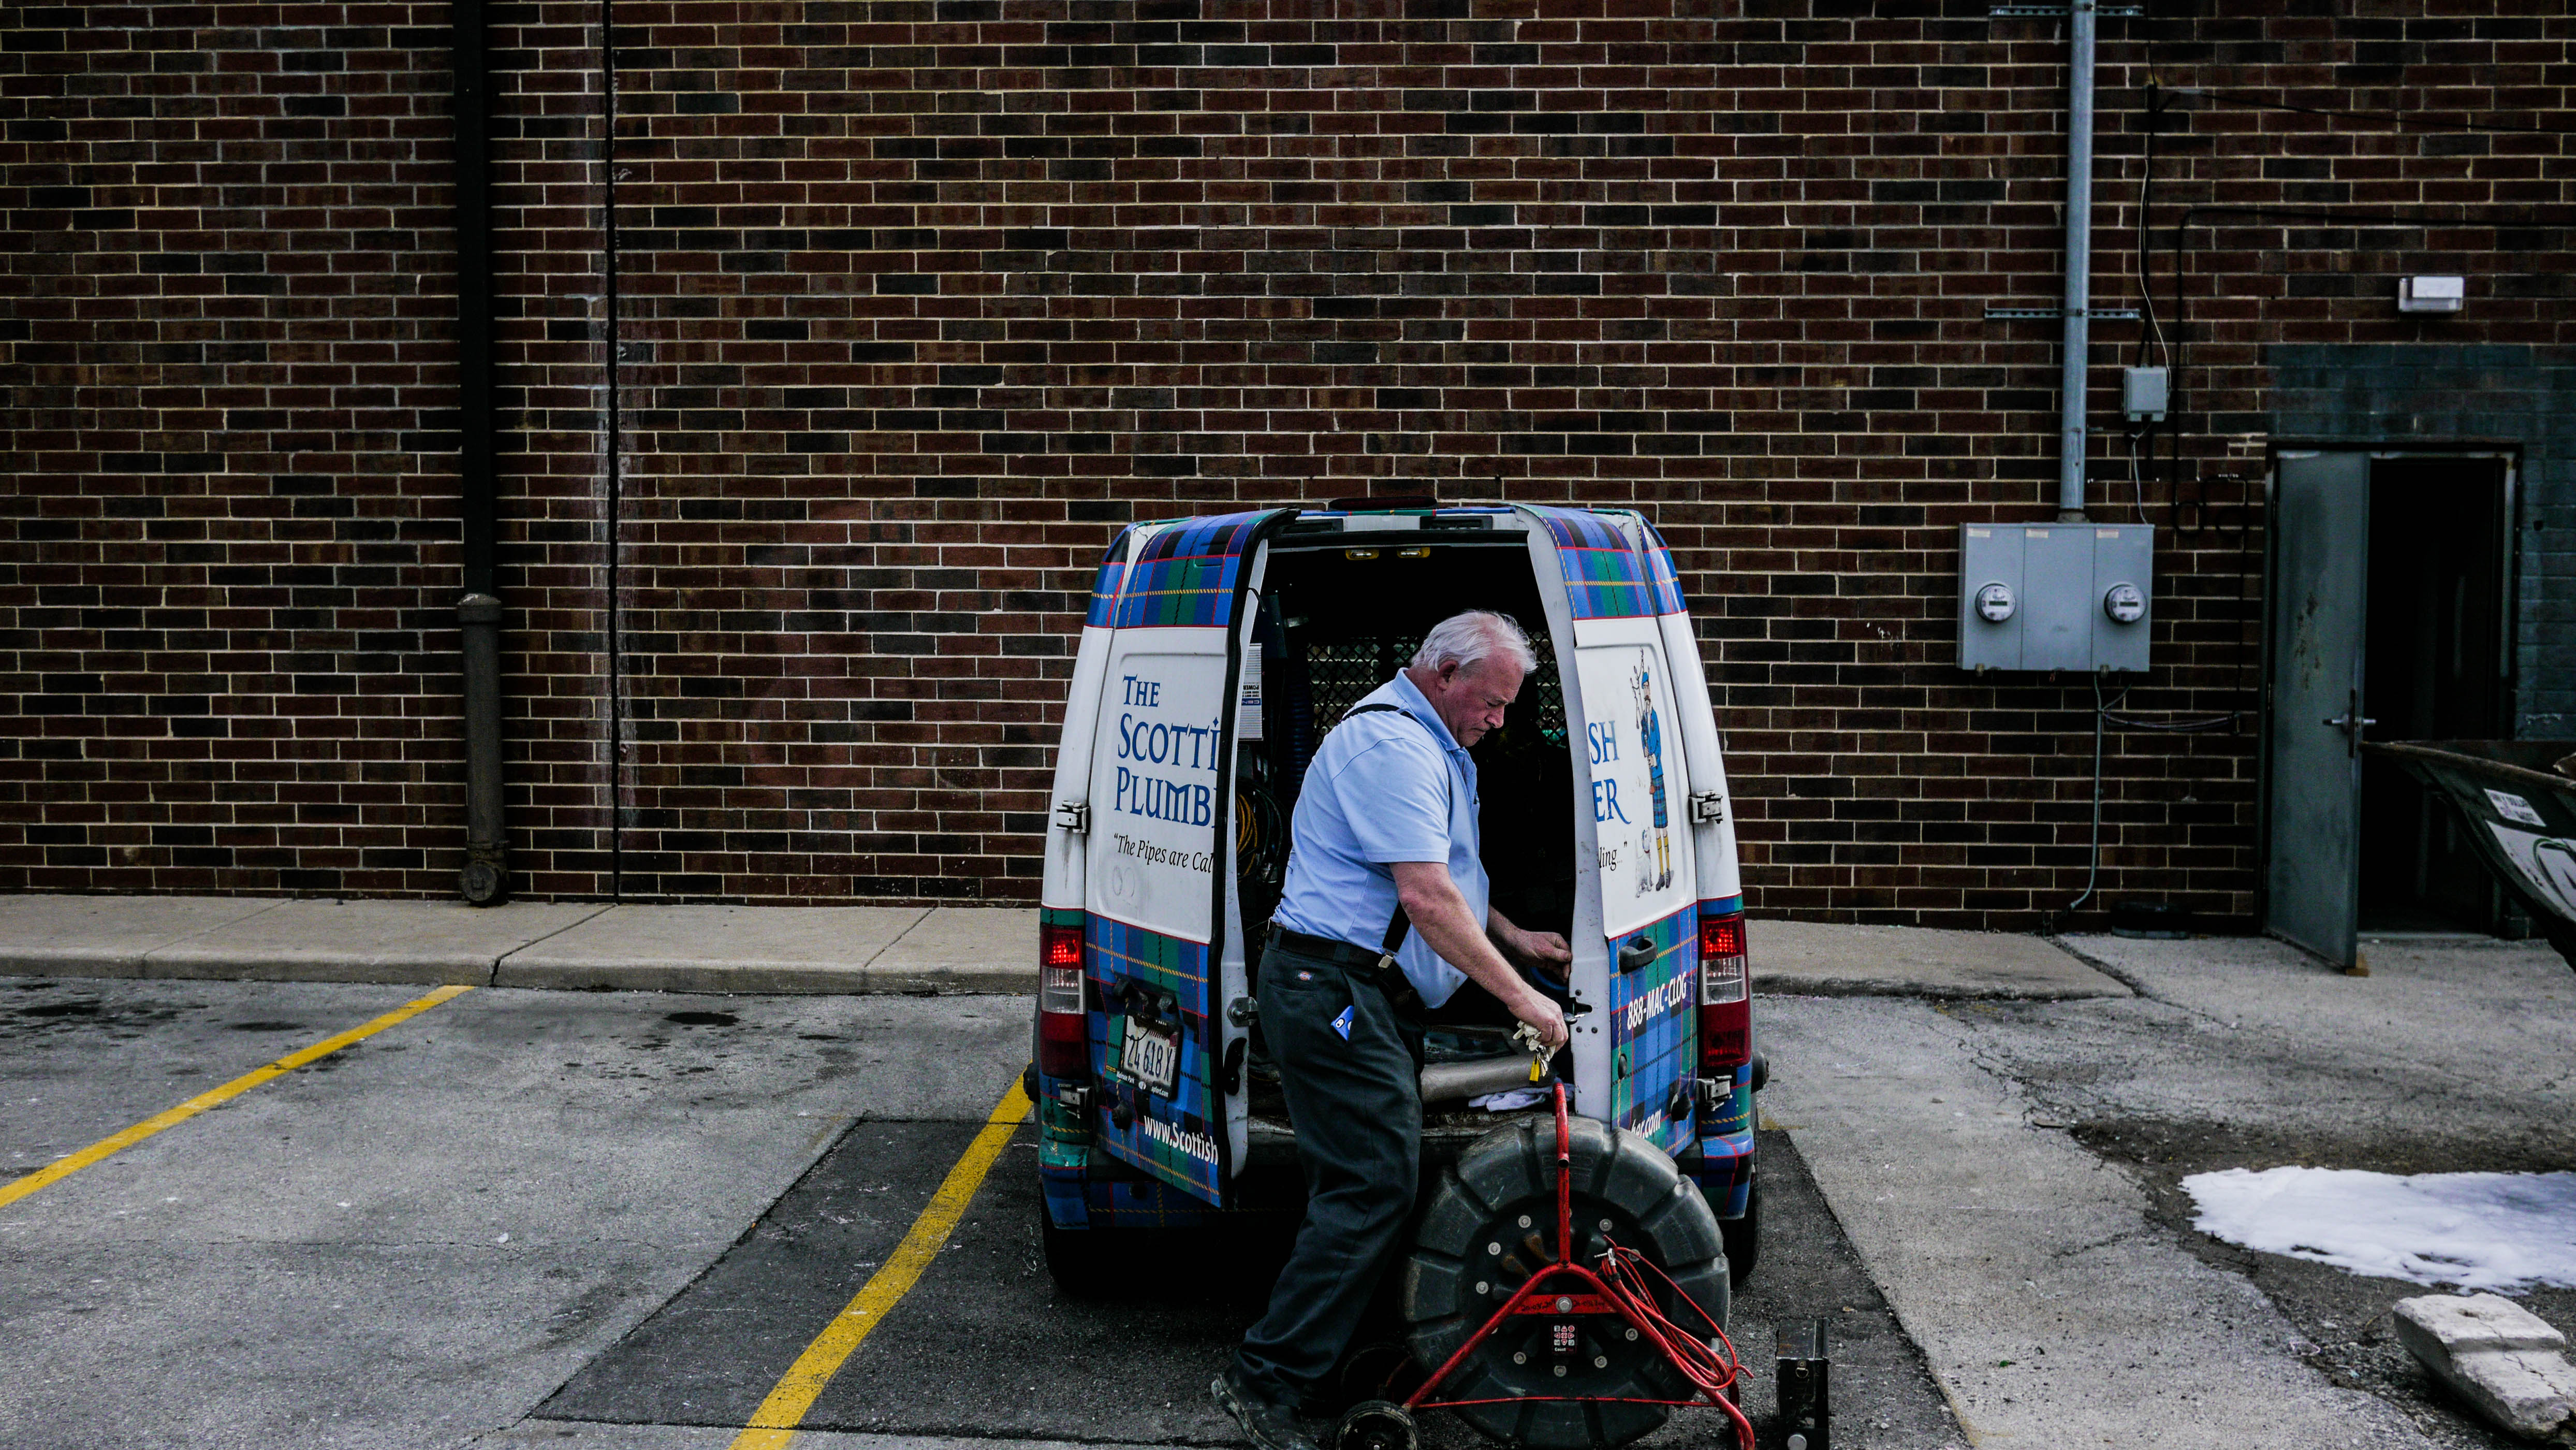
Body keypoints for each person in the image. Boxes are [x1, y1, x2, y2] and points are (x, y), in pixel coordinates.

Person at [1212, 610, 1574, 1450]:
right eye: (1490, 702)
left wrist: (1513, 936)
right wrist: (1523, 998)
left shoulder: (1434, 744)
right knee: (1372, 1183)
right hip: (1328, 987)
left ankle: (1340, 1347)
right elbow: (1424, 895)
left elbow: (1443, 869)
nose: (1500, 721)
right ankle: (1265, 1379)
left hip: (1356, 988)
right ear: (1442, 675)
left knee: (1376, 1174)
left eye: (1508, 706)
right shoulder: (1392, 748)